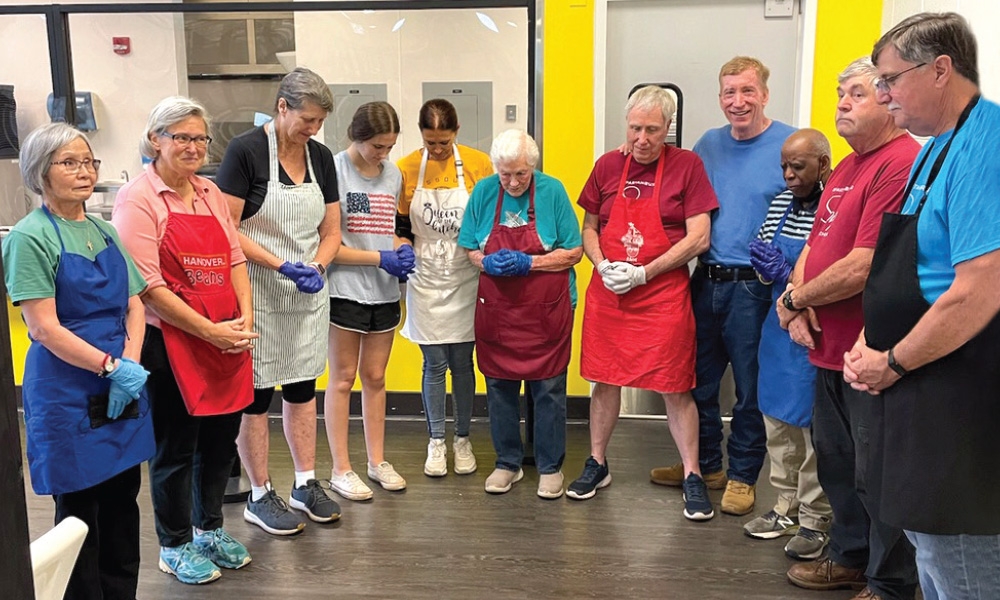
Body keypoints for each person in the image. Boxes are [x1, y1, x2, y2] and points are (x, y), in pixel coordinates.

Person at [844, 13, 1000, 600]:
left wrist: (895, 360)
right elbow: (907, 269)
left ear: (941, 70)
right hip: (914, 382)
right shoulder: (934, 149)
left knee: (960, 562)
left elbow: (980, 287)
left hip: (957, 389)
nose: (882, 95)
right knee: (928, 551)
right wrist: (868, 339)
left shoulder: (987, 147)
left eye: (890, 80)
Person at [780, 58, 919, 599]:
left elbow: (867, 263)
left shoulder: (899, 162)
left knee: (878, 472)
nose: (841, 103)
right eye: (840, 94)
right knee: (838, 464)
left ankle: (889, 584)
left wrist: (796, 297)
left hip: (871, 351)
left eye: (855, 93)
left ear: (888, 98)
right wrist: (792, 304)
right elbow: (814, 246)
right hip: (825, 347)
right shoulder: (844, 167)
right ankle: (849, 557)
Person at [2, 123, 152, 599]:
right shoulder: (29, 238)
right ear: (40, 172)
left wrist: (129, 366)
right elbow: (44, 327)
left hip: (119, 384)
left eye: (89, 162)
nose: (84, 172)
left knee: (123, 506)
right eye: (70, 163)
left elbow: (134, 304)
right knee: (81, 514)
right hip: (69, 392)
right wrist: (111, 368)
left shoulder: (104, 230)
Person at [113, 96, 258, 585]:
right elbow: (147, 286)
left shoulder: (210, 193)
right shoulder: (138, 199)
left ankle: (209, 529)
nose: (194, 147)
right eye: (182, 137)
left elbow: (235, 259)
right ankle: (173, 544)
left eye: (200, 138)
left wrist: (243, 319)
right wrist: (209, 331)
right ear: (156, 140)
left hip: (226, 338)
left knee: (219, 443)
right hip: (171, 342)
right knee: (176, 448)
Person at [650, 56, 796, 517]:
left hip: (756, 287)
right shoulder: (706, 145)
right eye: (729, 93)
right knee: (696, 380)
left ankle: (742, 476)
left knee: (749, 389)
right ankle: (706, 466)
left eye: (748, 91)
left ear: (765, 94)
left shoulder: (788, 144)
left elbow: (805, 214)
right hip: (704, 279)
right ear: (719, 98)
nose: (738, 101)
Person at [567, 86, 717, 521]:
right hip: (611, 294)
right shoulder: (608, 165)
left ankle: (692, 474)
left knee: (675, 384)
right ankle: (597, 462)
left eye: (652, 129)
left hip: (662, 294)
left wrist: (645, 272)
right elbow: (590, 226)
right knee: (604, 380)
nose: (642, 138)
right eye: (635, 128)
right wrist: (601, 265)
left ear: (668, 128)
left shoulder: (687, 166)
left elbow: (699, 236)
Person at [216, 67, 341, 535]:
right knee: (257, 395)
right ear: (282, 106)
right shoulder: (246, 151)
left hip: (306, 291)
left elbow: (331, 231)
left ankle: (305, 483)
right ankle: (260, 492)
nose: (313, 130)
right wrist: (279, 265)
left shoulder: (321, 158)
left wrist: (319, 267)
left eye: (319, 122)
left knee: (303, 387)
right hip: (257, 289)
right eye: (307, 119)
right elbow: (228, 228)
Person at [458, 129, 582, 499]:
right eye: (505, 174)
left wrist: (530, 262)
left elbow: (573, 251)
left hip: (547, 310)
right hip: (499, 311)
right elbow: (469, 248)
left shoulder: (553, 191)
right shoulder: (483, 192)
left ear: (533, 168)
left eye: (521, 174)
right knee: (499, 388)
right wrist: (486, 261)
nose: (512, 183)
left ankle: (549, 466)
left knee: (548, 389)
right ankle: (507, 463)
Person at [742, 128, 833, 559]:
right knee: (776, 422)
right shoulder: (780, 202)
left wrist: (796, 279)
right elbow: (765, 252)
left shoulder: (834, 206)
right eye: (784, 166)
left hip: (816, 329)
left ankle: (816, 518)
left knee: (811, 427)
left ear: (823, 165)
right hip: (776, 327)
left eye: (798, 166)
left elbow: (835, 267)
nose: (789, 175)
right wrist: (767, 268)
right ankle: (785, 507)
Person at [396, 99, 493, 477]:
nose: (436, 150)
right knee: (433, 362)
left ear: (456, 133)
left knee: (463, 362)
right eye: (430, 142)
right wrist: (401, 249)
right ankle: (437, 440)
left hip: (466, 270)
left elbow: (487, 216)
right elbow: (401, 225)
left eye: (443, 142)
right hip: (425, 273)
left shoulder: (478, 164)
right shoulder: (405, 168)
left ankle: (463, 439)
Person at [325, 101, 414, 501]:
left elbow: (387, 230)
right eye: (376, 146)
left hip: (383, 289)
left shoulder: (392, 174)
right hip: (345, 287)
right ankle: (340, 468)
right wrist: (381, 257)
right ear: (356, 137)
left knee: (375, 378)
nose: (383, 154)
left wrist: (402, 247)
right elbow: (330, 244)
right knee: (343, 378)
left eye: (389, 147)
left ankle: (376, 461)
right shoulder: (333, 170)